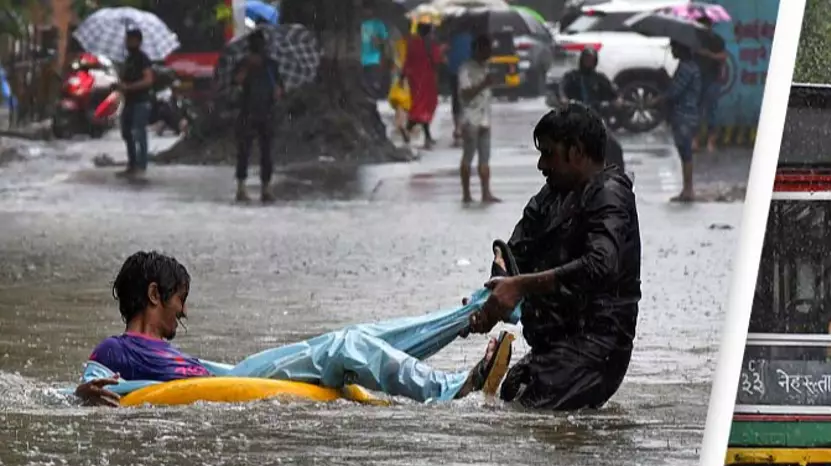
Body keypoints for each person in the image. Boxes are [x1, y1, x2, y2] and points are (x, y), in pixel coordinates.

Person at [75, 251, 513, 407]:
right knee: (347, 345)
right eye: (179, 299)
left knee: (357, 338)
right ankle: (449, 389)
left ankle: (477, 309)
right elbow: (93, 382)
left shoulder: (166, 351)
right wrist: (86, 392)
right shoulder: (118, 347)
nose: (184, 313)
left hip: (238, 373)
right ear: (155, 295)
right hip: (239, 380)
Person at [463, 104, 640, 411]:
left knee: (525, 416)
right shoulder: (552, 195)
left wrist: (519, 287)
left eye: (548, 154)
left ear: (576, 151)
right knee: (506, 397)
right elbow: (515, 250)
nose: (541, 164)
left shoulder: (610, 195)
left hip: (596, 349)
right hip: (553, 345)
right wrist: (492, 298)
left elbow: (601, 265)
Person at [232, 30, 284, 203]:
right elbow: (236, 82)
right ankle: (241, 188)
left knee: (267, 153)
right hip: (247, 111)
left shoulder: (271, 65)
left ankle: (266, 189)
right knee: (244, 152)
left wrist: (278, 92)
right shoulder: (242, 63)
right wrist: (247, 67)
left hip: (266, 112)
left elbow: (279, 87)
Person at [557, 47, 625, 173]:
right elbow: (561, 89)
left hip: (596, 118)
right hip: (576, 119)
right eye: (586, 59)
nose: (589, 62)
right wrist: (564, 99)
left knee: (614, 147)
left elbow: (615, 93)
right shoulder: (572, 77)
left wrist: (618, 100)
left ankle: (618, 177)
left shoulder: (599, 78)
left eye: (591, 60)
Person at [653, 41, 701, 202]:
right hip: (686, 113)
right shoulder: (688, 66)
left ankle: (688, 190)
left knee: (685, 152)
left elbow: (674, 92)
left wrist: (658, 99)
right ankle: (687, 189)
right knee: (684, 152)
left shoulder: (686, 68)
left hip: (684, 114)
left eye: (674, 47)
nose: (672, 50)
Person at [457, 36, 500, 205]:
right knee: (468, 156)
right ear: (477, 49)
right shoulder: (465, 69)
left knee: (485, 158)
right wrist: (483, 84)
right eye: (486, 49)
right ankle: (466, 193)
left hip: (484, 118)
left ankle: (486, 192)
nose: (489, 52)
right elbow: (465, 93)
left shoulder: (486, 67)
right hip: (470, 119)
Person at [116, 28, 155, 176]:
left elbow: (148, 80)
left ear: (137, 41)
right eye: (126, 40)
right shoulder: (128, 59)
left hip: (141, 102)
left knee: (139, 133)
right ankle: (132, 164)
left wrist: (130, 87)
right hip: (129, 102)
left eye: (130, 40)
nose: (127, 42)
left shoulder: (143, 58)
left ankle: (141, 165)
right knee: (126, 133)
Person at [401, 22, 440, 148]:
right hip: (427, 78)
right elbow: (436, 59)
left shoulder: (412, 44)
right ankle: (409, 128)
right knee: (426, 107)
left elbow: (407, 60)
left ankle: (424, 135)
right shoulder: (430, 44)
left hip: (414, 78)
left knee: (418, 104)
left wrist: (402, 76)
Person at [693, 15, 728, 153]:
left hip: (712, 78)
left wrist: (708, 54)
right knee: (695, 110)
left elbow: (723, 56)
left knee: (711, 111)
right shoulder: (693, 40)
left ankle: (710, 141)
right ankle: (694, 140)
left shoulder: (716, 40)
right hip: (696, 78)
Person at [360, 16, 390, 99]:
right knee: (375, 82)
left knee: (369, 84)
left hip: (365, 59)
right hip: (375, 59)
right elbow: (384, 41)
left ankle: (373, 100)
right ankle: (376, 98)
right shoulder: (379, 24)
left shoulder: (362, 24)